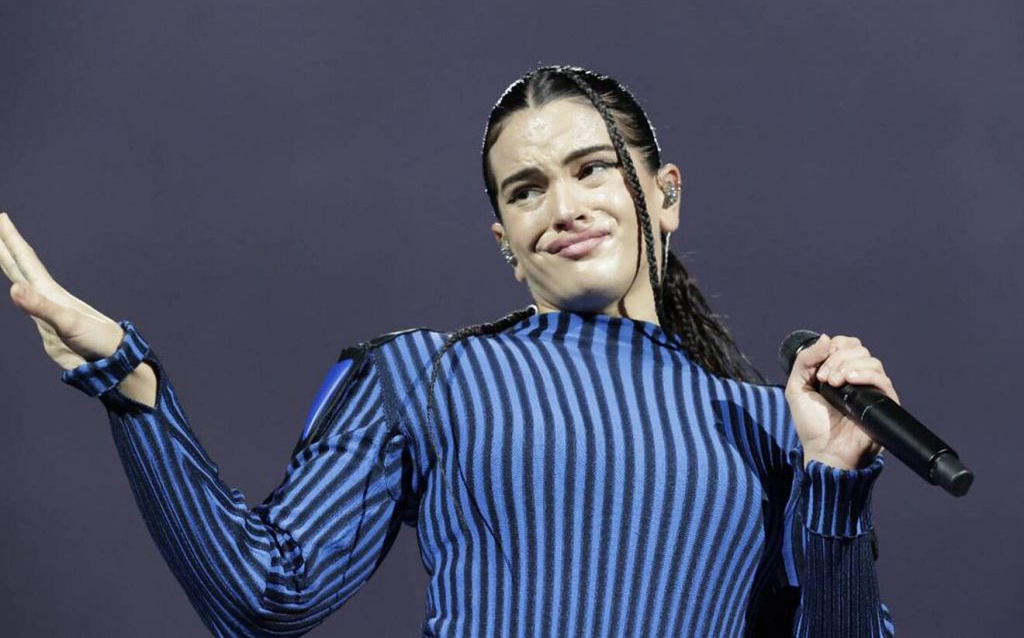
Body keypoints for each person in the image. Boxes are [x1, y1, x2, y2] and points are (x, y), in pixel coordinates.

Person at [1, 65, 900, 637]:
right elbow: (263, 596)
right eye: (526, 189)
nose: (565, 207)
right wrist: (133, 385)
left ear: (665, 195)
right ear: (506, 241)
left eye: (592, 168)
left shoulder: (774, 428)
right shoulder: (423, 378)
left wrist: (834, 480)